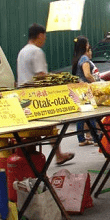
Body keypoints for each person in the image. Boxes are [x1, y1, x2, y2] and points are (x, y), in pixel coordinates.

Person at [17, 23, 74, 165]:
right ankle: (58, 155)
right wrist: (58, 79)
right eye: (45, 37)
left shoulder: (22, 51)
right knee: (50, 127)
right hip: (37, 96)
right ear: (40, 35)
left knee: (30, 130)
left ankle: (29, 159)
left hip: (22, 95)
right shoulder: (36, 51)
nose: (45, 39)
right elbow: (41, 75)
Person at [72, 36, 100, 147]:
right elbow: (87, 74)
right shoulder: (84, 59)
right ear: (84, 45)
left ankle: (81, 139)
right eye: (87, 43)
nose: (89, 45)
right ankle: (96, 139)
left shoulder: (77, 58)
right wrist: (95, 82)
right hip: (85, 89)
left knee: (82, 116)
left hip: (78, 89)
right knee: (91, 114)